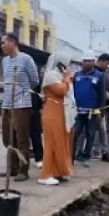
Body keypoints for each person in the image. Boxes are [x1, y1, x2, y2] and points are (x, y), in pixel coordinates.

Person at [0, 33, 39, 181]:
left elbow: (34, 80)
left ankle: (23, 170)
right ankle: (12, 168)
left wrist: (22, 90)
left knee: (21, 138)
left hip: (22, 104)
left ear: (12, 42)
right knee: (8, 138)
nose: (1, 46)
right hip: (7, 104)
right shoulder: (4, 61)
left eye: (3, 43)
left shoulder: (26, 59)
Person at [38, 53, 75, 185]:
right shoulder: (51, 75)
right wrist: (67, 79)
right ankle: (45, 175)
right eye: (67, 63)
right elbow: (61, 91)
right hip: (52, 113)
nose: (69, 66)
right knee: (51, 144)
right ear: (60, 63)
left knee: (61, 144)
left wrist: (66, 79)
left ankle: (58, 172)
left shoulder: (60, 76)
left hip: (62, 113)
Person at [72, 55, 105, 167]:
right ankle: (71, 156)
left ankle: (86, 157)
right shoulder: (77, 75)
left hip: (93, 112)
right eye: (85, 61)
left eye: (89, 61)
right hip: (78, 111)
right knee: (74, 134)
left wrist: (101, 110)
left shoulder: (99, 76)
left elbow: (102, 94)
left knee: (90, 134)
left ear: (93, 62)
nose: (87, 63)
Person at [29, 67, 45, 169]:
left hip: (34, 110)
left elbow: (42, 96)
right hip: (21, 108)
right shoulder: (21, 80)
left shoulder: (39, 81)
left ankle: (39, 158)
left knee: (35, 135)